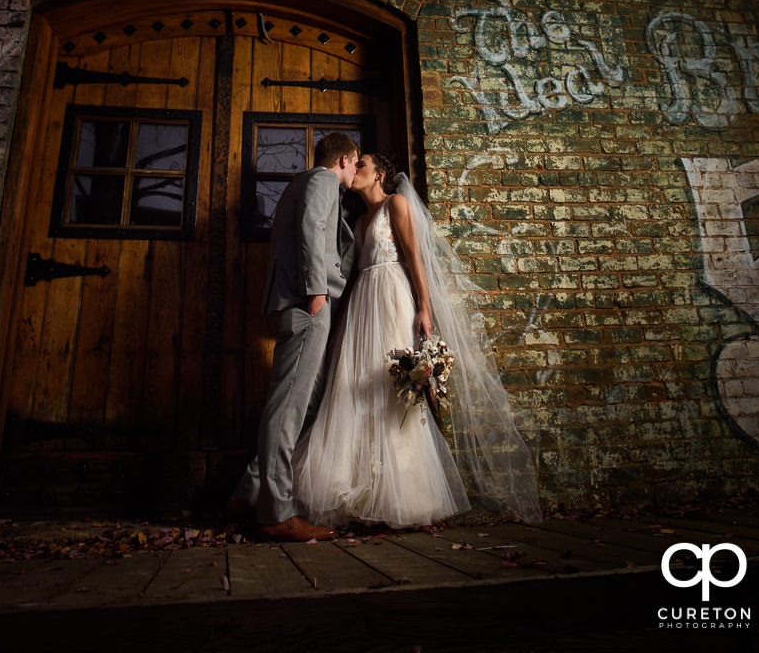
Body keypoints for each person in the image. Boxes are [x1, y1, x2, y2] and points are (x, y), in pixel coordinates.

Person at [293, 153, 542, 529]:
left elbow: (414, 259)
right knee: (352, 384)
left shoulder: (397, 203)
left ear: (379, 175)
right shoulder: (358, 221)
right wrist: (337, 326)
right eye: (354, 164)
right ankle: (359, 491)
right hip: (363, 304)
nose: (355, 170)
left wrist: (424, 308)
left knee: (388, 388)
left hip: (392, 297)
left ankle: (399, 496)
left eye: (363, 166)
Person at [228, 132, 360, 541]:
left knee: (308, 401)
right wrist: (316, 291)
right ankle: (276, 513)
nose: (355, 170)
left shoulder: (300, 183)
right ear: (344, 159)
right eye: (355, 163)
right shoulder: (322, 180)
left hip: (301, 306)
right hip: (308, 306)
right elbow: (310, 228)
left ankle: (249, 494)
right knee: (287, 407)